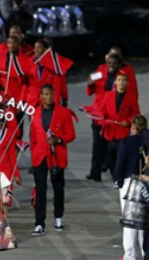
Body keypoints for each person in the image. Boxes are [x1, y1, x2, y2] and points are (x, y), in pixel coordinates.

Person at [30, 84, 75, 235]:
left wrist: (59, 140)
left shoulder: (64, 112)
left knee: (58, 187)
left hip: (56, 155)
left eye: (51, 94)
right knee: (40, 189)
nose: (49, 97)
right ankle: (39, 222)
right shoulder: (35, 113)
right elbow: (33, 136)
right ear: (41, 96)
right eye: (46, 94)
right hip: (40, 155)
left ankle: (58, 216)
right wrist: (33, 155)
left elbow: (71, 135)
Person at [115, 115, 149, 260]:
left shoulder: (127, 142)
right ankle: (145, 252)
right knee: (145, 221)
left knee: (130, 220)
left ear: (133, 127)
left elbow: (120, 163)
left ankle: (130, 254)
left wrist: (120, 181)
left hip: (130, 182)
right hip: (146, 181)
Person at [85, 53, 123, 181]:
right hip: (99, 114)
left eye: (114, 63)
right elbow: (90, 92)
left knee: (111, 146)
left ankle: (115, 173)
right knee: (97, 145)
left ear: (118, 65)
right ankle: (95, 172)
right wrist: (90, 84)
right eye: (109, 63)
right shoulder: (99, 73)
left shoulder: (122, 77)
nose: (111, 66)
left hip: (112, 116)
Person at [99, 73, 140, 181]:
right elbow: (102, 110)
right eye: (119, 80)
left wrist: (128, 121)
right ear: (115, 82)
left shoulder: (131, 96)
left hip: (122, 132)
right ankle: (114, 174)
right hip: (110, 131)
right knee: (111, 155)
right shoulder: (108, 95)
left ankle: (119, 176)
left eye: (124, 80)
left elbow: (136, 113)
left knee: (121, 156)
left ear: (127, 83)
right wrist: (102, 117)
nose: (121, 82)